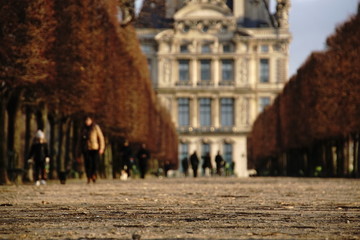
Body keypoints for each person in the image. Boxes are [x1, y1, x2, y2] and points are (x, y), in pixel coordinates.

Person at [81, 116, 105, 184]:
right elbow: (79, 140)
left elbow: (101, 138)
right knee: (87, 163)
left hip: (94, 148)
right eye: (86, 120)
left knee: (94, 163)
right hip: (86, 148)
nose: (87, 122)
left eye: (88, 120)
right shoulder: (83, 128)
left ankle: (94, 174)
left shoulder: (95, 127)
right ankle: (88, 176)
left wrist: (101, 148)